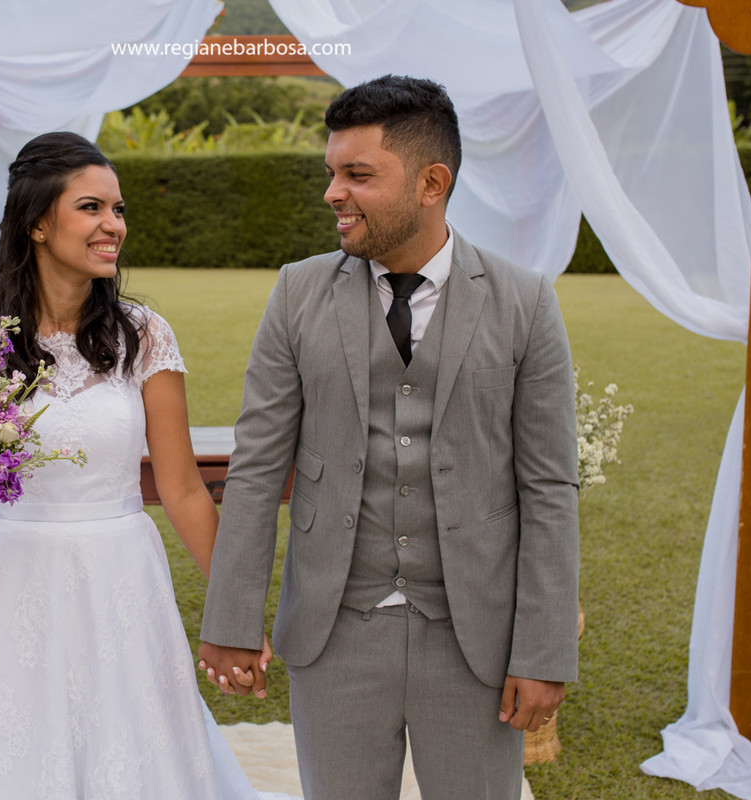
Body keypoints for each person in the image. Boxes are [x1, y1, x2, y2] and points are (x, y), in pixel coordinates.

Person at [198, 75, 580, 800]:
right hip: (335, 631)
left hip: (475, 638)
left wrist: (544, 650)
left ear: (432, 182)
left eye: (357, 175)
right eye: (331, 173)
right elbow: (254, 471)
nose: (333, 192)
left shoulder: (524, 302)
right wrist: (232, 620)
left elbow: (549, 488)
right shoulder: (297, 293)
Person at [0, 131, 272, 799]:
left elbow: (185, 491)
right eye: (92, 208)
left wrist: (236, 613)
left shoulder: (145, 335)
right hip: (13, 580)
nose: (114, 225)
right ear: (38, 224)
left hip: (120, 577)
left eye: (119, 209)